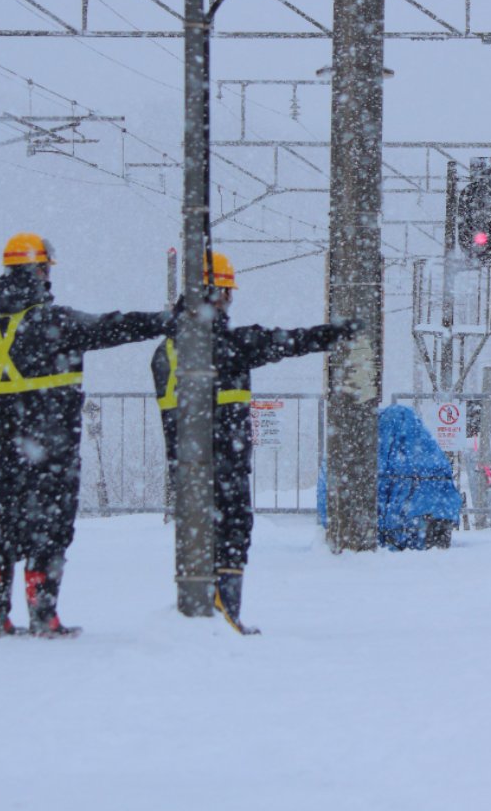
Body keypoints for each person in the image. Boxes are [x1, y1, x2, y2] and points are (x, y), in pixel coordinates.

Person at [0, 233, 171, 637]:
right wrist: (166, 320)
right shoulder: (56, 323)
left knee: (3, 526)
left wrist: (0, 433)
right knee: (50, 529)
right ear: (39, 271)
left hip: (7, 452)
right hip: (53, 452)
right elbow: (114, 327)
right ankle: (43, 617)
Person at [151, 252, 355, 634]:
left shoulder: (164, 351)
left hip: (184, 463)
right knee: (233, 530)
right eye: (226, 294)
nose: (229, 303)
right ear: (212, 293)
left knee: (197, 534)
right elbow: (285, 341)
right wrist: (332, 334)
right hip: (225, 459)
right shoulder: (228, 346)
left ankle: (200, 607)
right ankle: (226, 610)